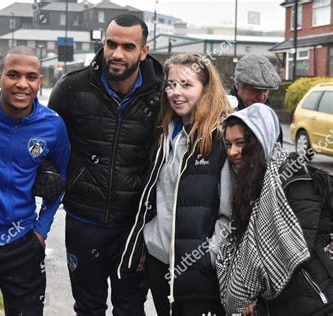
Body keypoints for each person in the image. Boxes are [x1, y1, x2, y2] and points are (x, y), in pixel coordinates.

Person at [48, 14, 164, 315]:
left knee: (130, 307)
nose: (117, 54)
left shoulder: (162, 95)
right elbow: (47, 143)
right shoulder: (71, 88)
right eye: (111, 44)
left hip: (134, 228)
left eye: (128, 47)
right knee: (88, 308)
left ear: (144, 51)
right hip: (84, 222)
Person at [118, 53, 232, 315]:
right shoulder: (166, 132)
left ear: (206, 89)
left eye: (186, 84)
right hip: (160, 262)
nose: (175, 92)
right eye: (171, 84)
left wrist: (209, 256)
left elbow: (232, 212)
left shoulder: (221, 138)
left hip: (200, 269)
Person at [0, 46, 70, 315]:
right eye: (13, 75)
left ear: (39, 80)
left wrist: (42, 230)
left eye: (31, 77)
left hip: (23, 242)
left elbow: (63, 178)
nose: (22, 84)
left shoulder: (52, 125)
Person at [217, 103, 333, 316]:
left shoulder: (292, 177)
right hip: (278, 305)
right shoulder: (247, 186)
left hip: (315, 300)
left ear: (260, 140)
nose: (232, 152)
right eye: (228, 144)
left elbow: (290, 249)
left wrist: (252, 292)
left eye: (240, 143)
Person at [230, 54, 283, 143]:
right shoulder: (223, 118)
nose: (262, 97)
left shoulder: (271, 118)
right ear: (237, 85)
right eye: (255, 90)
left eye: (266, 91)